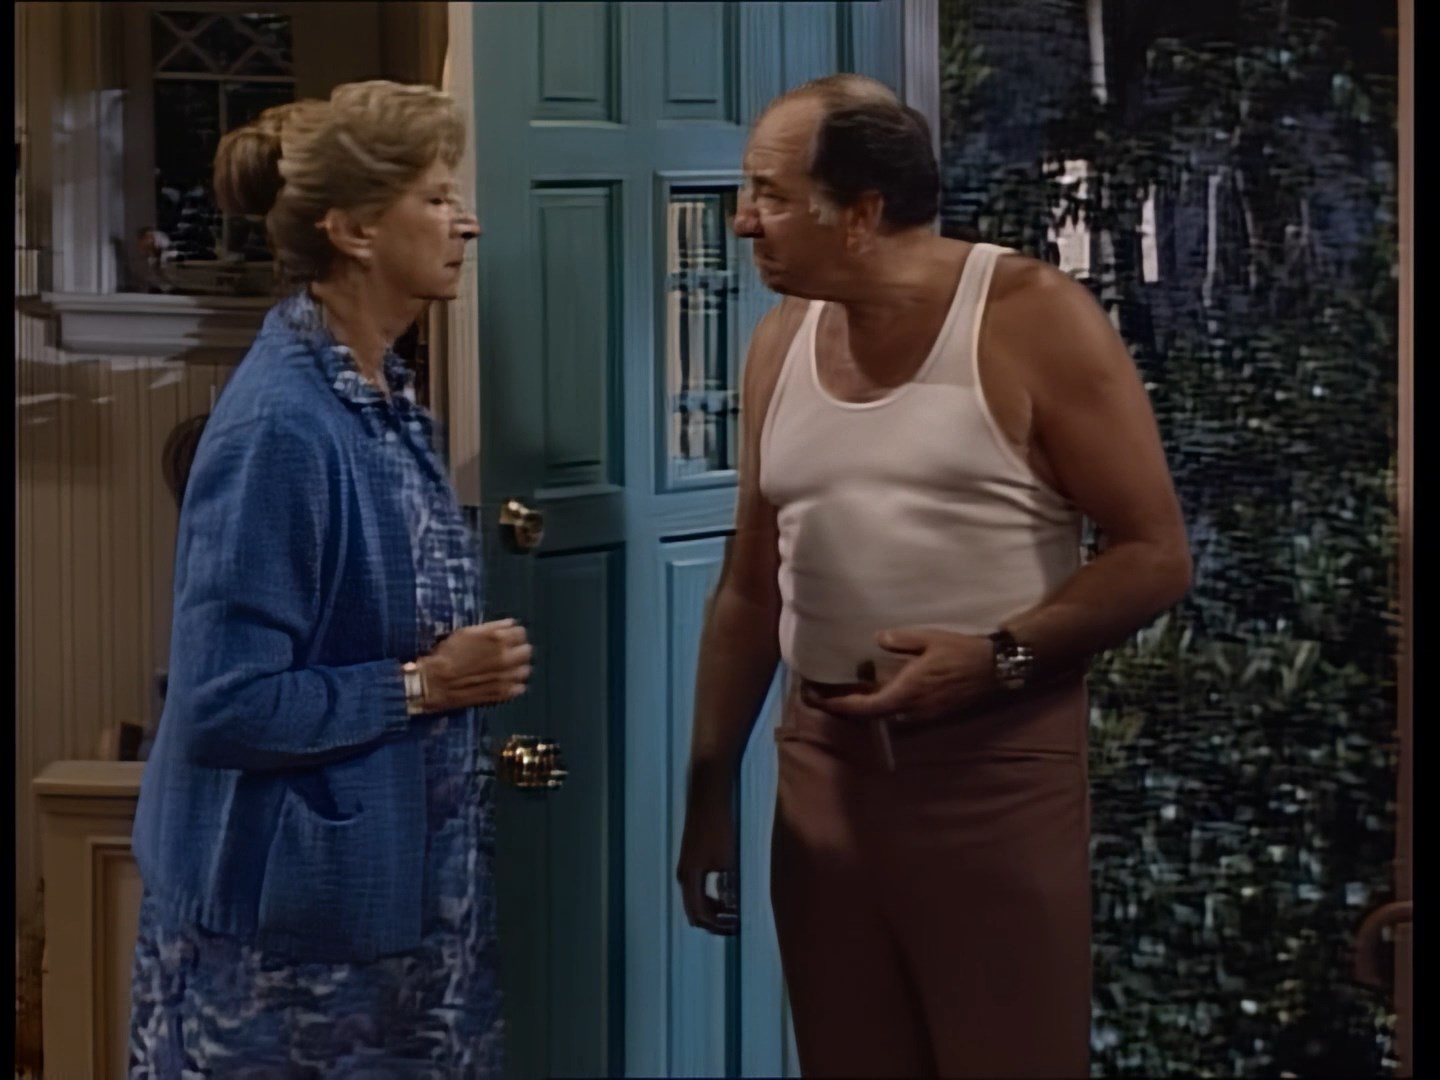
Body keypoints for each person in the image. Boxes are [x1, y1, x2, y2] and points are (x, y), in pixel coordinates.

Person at [676, 75, 1193, 1079]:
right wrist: (708, 793)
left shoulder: (1032, 319)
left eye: (771, 195)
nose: (743, 221)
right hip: (823, 772)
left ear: (861, 213)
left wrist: (1000, 657)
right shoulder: (780, 341)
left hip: (992, 770)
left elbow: (1155, 554)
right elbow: (749, 590)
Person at [128, 81, 532, 1077]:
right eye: (435, 198)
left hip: (387, 922)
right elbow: (226, 703)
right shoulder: (282, 428)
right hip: (291, 960)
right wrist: (427, 684)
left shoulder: (380, 396)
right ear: (351, 230)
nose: (467, 222)